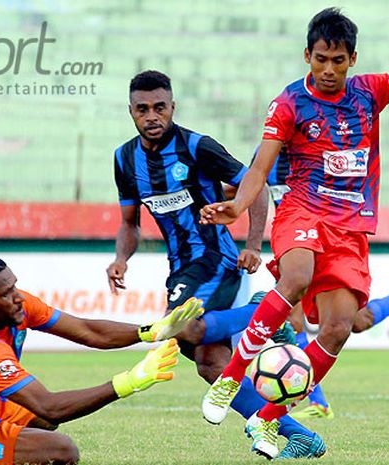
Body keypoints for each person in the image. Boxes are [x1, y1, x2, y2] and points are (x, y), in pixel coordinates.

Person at [200, 8, 389, 459]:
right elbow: (260, 166)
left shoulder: (371, 91)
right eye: (321, 59)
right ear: (307, 55)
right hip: (302, 209)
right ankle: (228, 380)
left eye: (338, 60)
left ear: (352, 59)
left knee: (338, 328)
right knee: (295, 277)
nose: (329, 69)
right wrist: (238, 206)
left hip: (350, 226)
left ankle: (267, 419)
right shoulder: (288, 103)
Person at [108, 71, 322, 458]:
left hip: (215, 259)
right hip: (181, 268)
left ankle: (261, 311)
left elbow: (252, 187)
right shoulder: (125, 160)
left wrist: (253, 244)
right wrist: (121, 258)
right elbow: (128, 223)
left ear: (173, 108)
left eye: (160, 107)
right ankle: (298, 435)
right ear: (131, 112)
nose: (152, 116)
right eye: (143, 109)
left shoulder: (197, 147)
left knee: (182, 327)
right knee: (211, 364)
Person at [0, 255, 202, 465]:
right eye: (6, 293)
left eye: (15, 287)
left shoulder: (15, 306)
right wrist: (129, 382)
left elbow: (87, 331)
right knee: (62, 451)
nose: (18, 298)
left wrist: (150, 332)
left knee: (39, 420)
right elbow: (51, 407)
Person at [248, 146, 389, 420]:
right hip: (295, 247)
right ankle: (318, 402)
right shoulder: (265, 153)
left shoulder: (322, 145)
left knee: (357, 322)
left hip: (331, 246)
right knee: (294, 323)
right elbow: (249, 185)